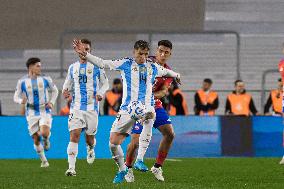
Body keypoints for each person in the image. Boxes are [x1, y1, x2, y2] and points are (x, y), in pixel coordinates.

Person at [73, 39, 181, 184]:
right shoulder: (126, 63)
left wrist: (177, 75)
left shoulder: (152, 66)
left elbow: (166, 71)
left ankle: (140, 160)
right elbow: (104, 63)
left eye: (145, 54)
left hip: (146, 106)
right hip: (126, 110)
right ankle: (123, 168)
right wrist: (86, 55)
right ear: (134, 52)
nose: (142, 57)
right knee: (113, 143)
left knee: (150, 114)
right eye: (140, 54)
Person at [124, 40, 176, 182]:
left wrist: (150, 96)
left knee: (170, 134)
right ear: (156, 50)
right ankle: (128, 168)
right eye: (160, 50)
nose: (162, 54)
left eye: (166, 52)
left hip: (155, 105)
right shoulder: (146, 60)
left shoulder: (167, 72)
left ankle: (157, 167)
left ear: (170, 54)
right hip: (139, 105)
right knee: (135, 142)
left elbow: (164, 91)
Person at [63, 39, 109, 176]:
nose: (84, 51)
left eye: (87, 49)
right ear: (77, 51)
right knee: (74, 135)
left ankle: (90, 148)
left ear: (90, 51)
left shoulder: (96, 67)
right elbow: (67, 84)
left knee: (89, 138)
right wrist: (65, 91)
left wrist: (100, 93)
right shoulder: (72, 68)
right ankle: (71, 168)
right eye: (82, 49)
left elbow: (105, 84)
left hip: (92, 108)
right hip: (76, 108)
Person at [14, 57, 58, 168]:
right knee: (36, 139)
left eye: (40, 65)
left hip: (44, 110)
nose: (40, 68)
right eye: (38, 66)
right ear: (30, 67)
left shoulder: (45, 79)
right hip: (31, 112)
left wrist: (52, 102)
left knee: (43, 133)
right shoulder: (22, 81)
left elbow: (55, 90)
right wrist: (20, 100)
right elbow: (15, 96)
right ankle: (44, 161)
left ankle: (46, 139)